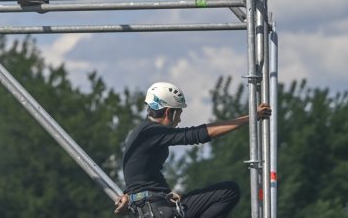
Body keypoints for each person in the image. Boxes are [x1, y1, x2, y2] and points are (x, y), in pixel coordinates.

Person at [114, 82, 272, 218]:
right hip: (158, 209)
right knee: (229, 191)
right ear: (169, 112)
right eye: (179, 113)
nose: (180, 119)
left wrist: (129, 194)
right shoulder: (152, 132)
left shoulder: (142, 133)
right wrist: (250, 117)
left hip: (155, 205)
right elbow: (198, 134)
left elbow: (136, 170)